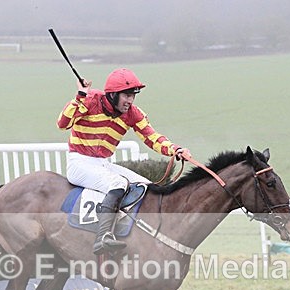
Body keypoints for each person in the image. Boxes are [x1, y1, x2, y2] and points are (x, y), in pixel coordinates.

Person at [57, 68, 191, 255]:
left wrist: (174, 150)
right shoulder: (89, 100)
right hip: (79, 163)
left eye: (133, 96)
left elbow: (151, 137)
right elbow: (62, 124)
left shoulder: (133, 114)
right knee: (118, 183)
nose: (130, 101)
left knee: (147, 186)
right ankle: (103, 237)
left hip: (103, 163)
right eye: (126, 95)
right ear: (112, 95)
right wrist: (80, 95)